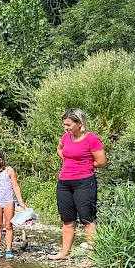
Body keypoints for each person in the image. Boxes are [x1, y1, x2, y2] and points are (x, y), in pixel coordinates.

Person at [49, 108, 107, 260]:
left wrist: (84, 164)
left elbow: (101, 162)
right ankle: (64, 253)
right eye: (65, 125)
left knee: (87, 220)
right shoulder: (66, 137)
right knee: (67, 220)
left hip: (84, 182)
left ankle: (93, 257)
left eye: (68, 125)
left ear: (79, 123)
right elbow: (59, 149)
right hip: (64, 183)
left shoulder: (91, 138)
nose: (66, 128)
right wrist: (69, 161)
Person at [0, 150, 27, 259]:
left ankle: (8, 249)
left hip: (8, 201)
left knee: (8, 225)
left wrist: (21, 202)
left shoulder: (9, 171)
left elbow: (15, 186)